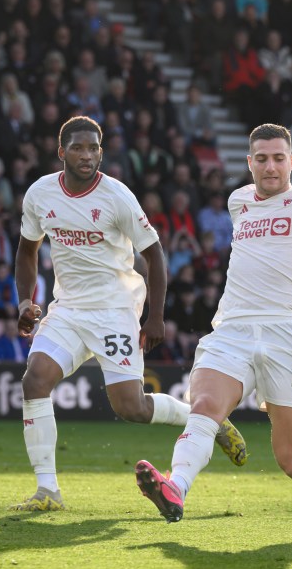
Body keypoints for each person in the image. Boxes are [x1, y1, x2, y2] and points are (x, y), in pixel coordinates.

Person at [134, 115, 292, 534]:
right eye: (261, 160)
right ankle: (175, 486)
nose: (270, 167)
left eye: (277, 159)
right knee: (204, 407)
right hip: (232, 328)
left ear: (291, 161)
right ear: (249, 163)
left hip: (288, 333)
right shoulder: (239, 201)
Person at [13, 116, 247, 512]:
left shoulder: (117, 196)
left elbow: (154, 255)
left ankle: (207, 419)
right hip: (68, 309)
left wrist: (154, 317)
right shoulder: (40, 194)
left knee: (131, 408)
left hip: (115, 310)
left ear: (101, 153)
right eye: (78, 148)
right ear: (61, 153)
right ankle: (47, 492)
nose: (86, 156)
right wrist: (24, 301)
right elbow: (27, 250)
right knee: (34, 381)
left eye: (93, 149)